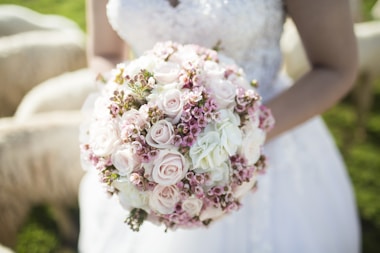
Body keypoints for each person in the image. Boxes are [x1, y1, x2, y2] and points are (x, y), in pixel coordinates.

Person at [78, 0, 361, 252]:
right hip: (141, 157)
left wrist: (243, 134)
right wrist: (127, 118)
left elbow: (335, 67)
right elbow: (105, 53)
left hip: (269, 141)